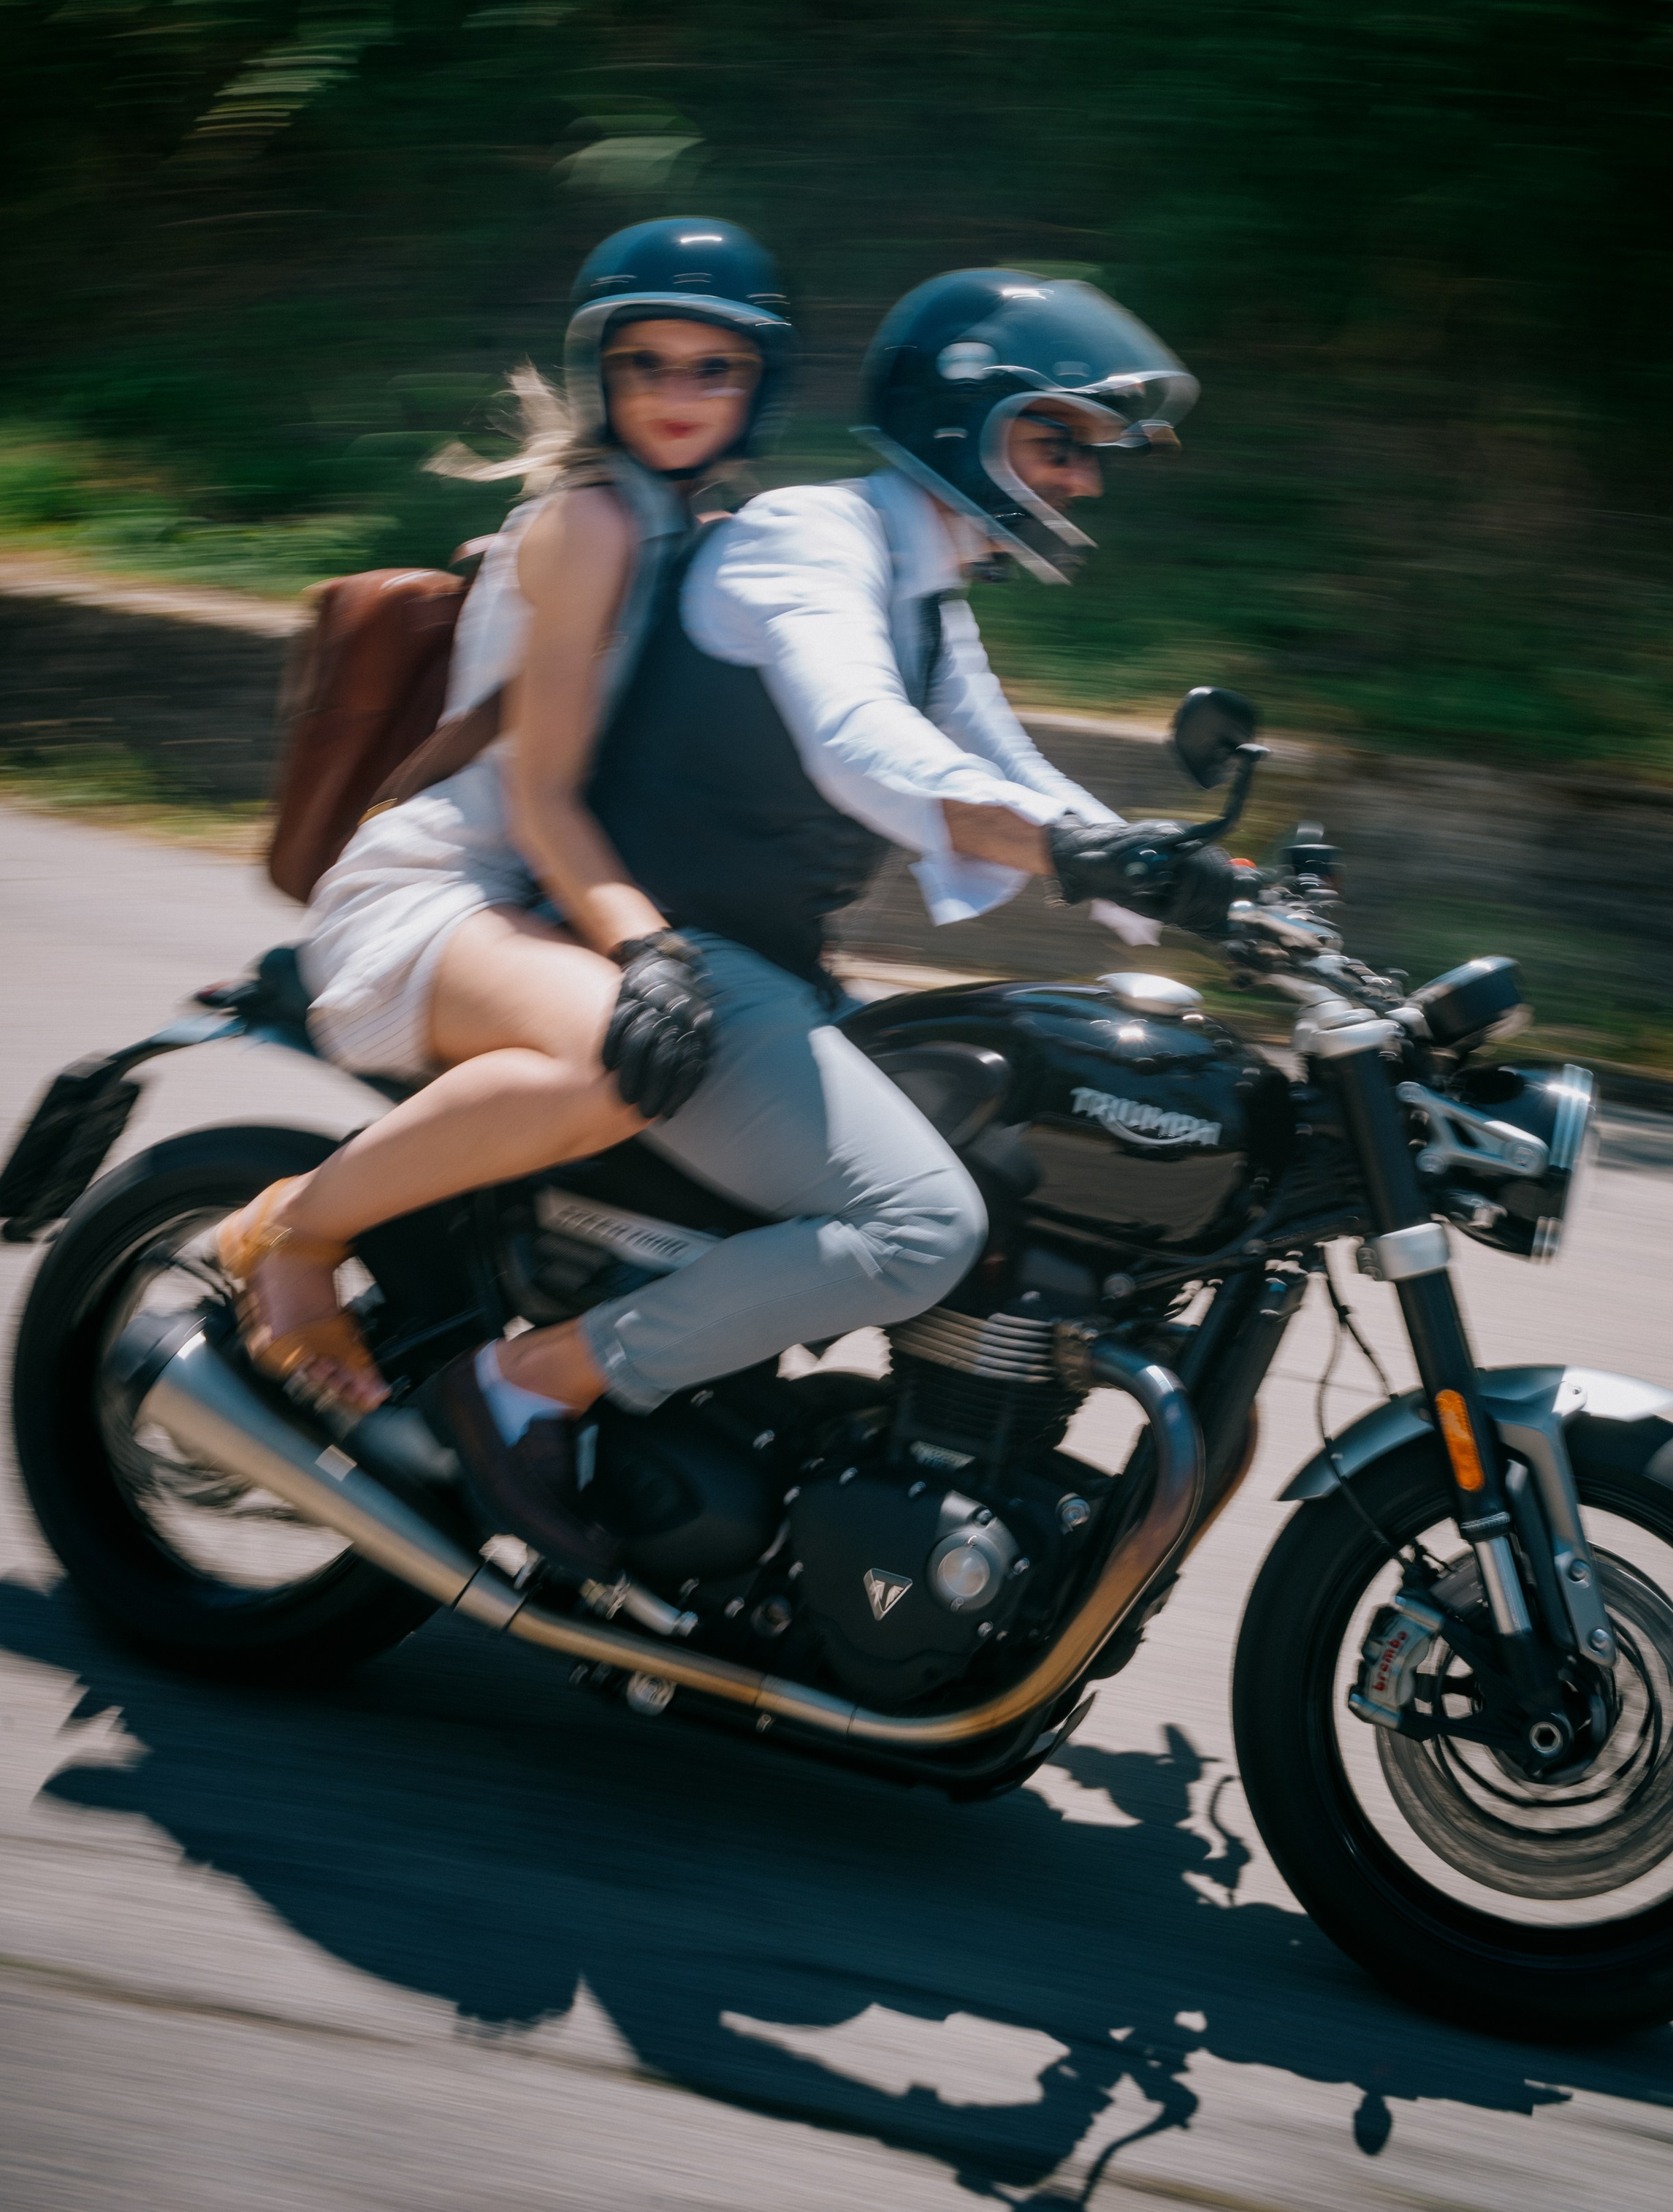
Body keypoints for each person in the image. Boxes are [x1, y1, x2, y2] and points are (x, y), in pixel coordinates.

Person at [318, 266, 1238, 1579]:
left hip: (766, 967)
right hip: (683, 959)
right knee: (920, 1227)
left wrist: (1208, 889)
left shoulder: (925, 592)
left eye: (1088, 453)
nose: (1083, 480)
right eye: (1056, 440)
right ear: (960, 428)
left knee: (1022, 1160)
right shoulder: (812, 539)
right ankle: (532, 1382)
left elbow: (1012, 770)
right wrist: (1075, 849)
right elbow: (866, 745)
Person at [212, 216, 790, 1560]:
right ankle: (287, 1235)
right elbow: (537, 796)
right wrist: (648, 949)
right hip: (439, 888)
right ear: (603, 374)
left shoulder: (671, 517)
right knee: (617, 1065)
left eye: (715, 367)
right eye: (647, 362)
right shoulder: (595, 516)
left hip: (520, 893)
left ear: (759, 384)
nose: (679, 391)